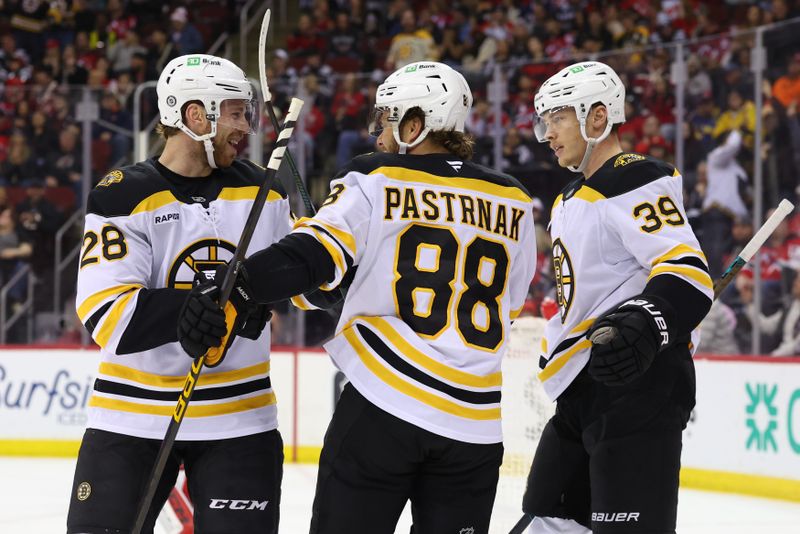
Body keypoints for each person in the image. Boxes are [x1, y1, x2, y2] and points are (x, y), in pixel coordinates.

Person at [178, 61, 538, 533]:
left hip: (385, 406)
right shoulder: (513, 198)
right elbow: (510, 302)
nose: (379, 134)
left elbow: (310, 257)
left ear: (415, 125)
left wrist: (236, 283)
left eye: (388, 120)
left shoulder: (376, 176)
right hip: (474, 429)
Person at [66, 54, 288, 534]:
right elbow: (106, 313)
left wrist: (326, 272)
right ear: (195, 114)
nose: (246, 125)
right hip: (132, 419)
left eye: (247, 113)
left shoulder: (264, 193)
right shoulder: (123, 195)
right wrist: (189, 308)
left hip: (240, 419)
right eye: (235, 112)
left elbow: (304, 287)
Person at [520, 61, 714, 534]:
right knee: (546, 520)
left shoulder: (632, 178)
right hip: (581, 389)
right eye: (543, 121)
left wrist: (649, 319)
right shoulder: (571, 196)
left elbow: (688, 273)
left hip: (638, 389)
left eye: (557, 118)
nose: (547, 133)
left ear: (598, 118)